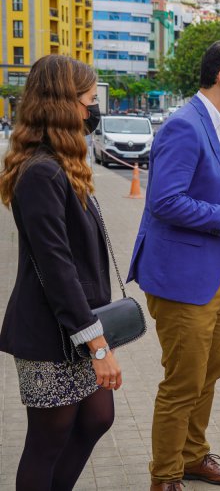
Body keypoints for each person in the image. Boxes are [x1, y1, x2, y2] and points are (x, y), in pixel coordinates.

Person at [128, 40, 220, 491]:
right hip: (183, 277)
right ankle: (165, 476)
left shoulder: (218, 125)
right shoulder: (184, 126)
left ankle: (193, 455)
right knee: (183, 380)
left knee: (212, 369)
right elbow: (165, 201)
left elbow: (201, 191)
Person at [0, 55, 121, 491]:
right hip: (49, 332)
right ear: (60, 104)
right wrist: (99, 343)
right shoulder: (41, 172)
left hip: (75, 326)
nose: (92, 111)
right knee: (48, 438)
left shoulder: (63, 166)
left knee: (97, 417)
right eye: (88, 102)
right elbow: (57, 267)